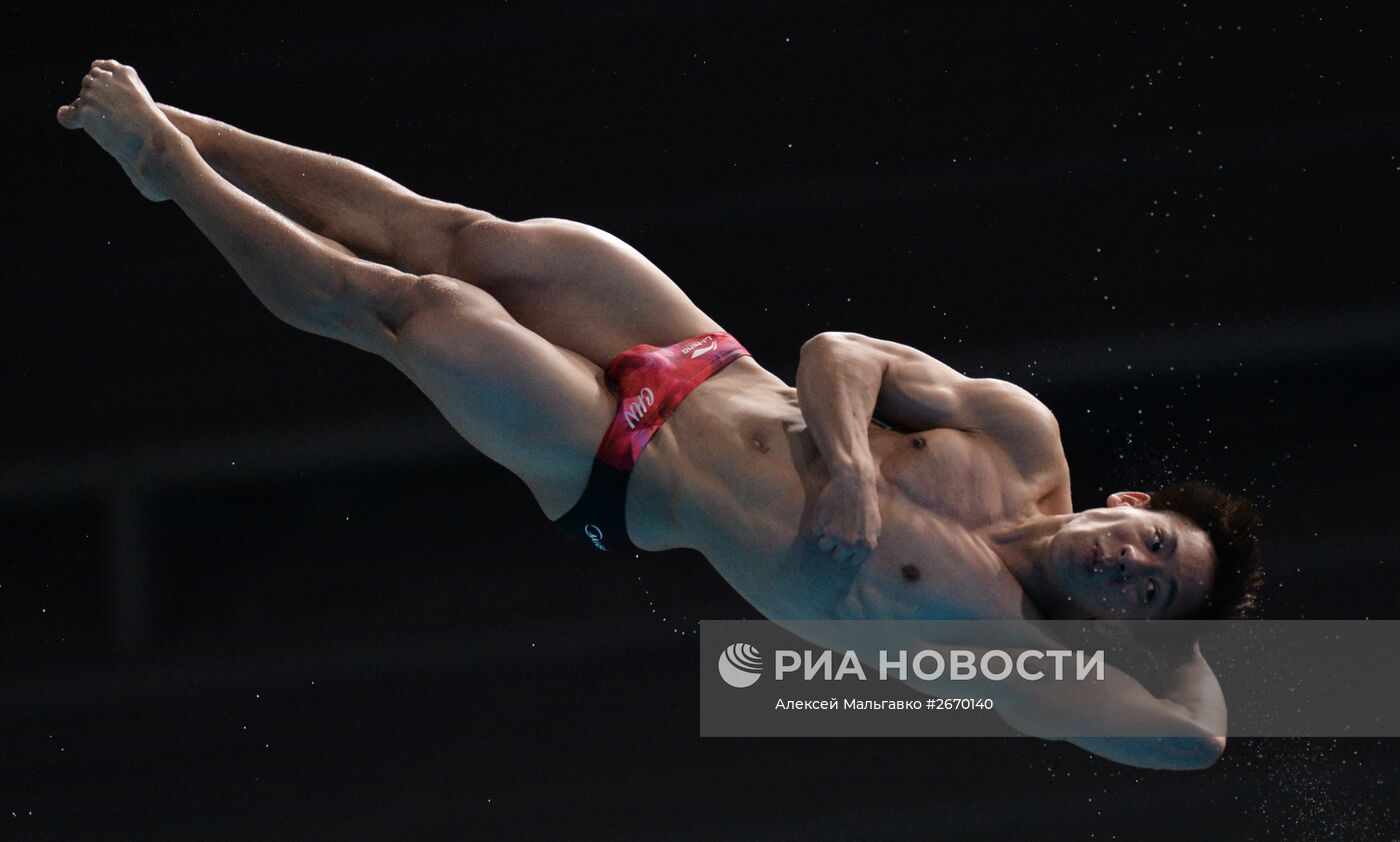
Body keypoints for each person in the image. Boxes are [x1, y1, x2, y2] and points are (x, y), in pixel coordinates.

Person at [57, 60, 1261, 770]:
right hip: (697, 349)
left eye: (1146, 593)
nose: (1129, 567)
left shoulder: (1003, 652)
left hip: (613, 467)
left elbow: (1191, 742)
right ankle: (185, 120)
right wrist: (844, 463)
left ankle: (169, 166)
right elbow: (839, 349)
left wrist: (1182, 643)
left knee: (408, 305)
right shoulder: (1021, 437)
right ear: (1130, 502)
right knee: (451, 230)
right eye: (1153, 545)